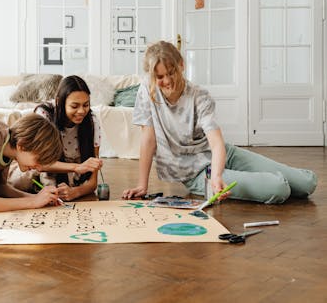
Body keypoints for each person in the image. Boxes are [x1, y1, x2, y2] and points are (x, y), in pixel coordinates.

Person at [122, 40, 317, 204]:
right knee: (279, 189)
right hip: (196, 173)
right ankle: (272, 183)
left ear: (181, 65)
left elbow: (216, 143)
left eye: (171, 72)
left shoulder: (200, 97)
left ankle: (284, 180)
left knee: (308, 183)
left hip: (222, 155)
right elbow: (148, 140)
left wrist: (217, 176)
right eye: (160, 77)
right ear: (152, 76)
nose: (167, 81)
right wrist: (142, 185)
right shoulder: (146, 91)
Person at [9, 75, 103, 201]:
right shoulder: (45, 115)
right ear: (59, 102)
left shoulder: (92, 122)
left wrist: (75, 192)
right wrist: (76, 167)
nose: (81, 111)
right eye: (74, 106)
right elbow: (38, 163)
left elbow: (92, 183)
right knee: (17, 183)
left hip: (71, 176)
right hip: (39, 168)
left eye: (86, 105)